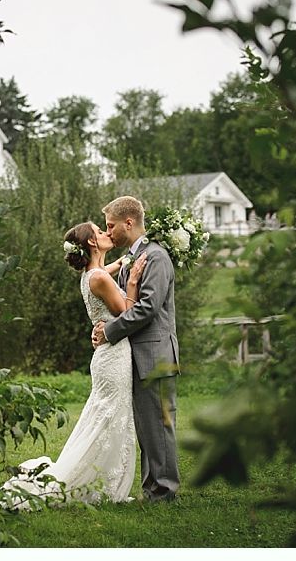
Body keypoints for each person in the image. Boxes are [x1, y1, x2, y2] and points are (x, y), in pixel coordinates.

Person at [0, 221, 148, 510]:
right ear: (93, 243)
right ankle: (94, 483)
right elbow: (127, 314)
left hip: (106, 355)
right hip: (114, 356)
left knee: (105, 416)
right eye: (101, 231)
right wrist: (132, 284)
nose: (107, 234)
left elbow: (112, 266)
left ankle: (105, 481)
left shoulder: (92, 274)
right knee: (108, 418)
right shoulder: (99, 278)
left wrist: (130, 257)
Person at [92, 196, 180, 503]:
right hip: (139, 354)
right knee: (147, 425)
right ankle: (152, 489)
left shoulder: (155, 257)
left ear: (129, 223)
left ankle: (164, 491)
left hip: (155, 354)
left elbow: (147, 309)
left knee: (159, 423)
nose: (109, 231)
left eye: (111, 226)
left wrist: (109, 332)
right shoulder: (133, 257)